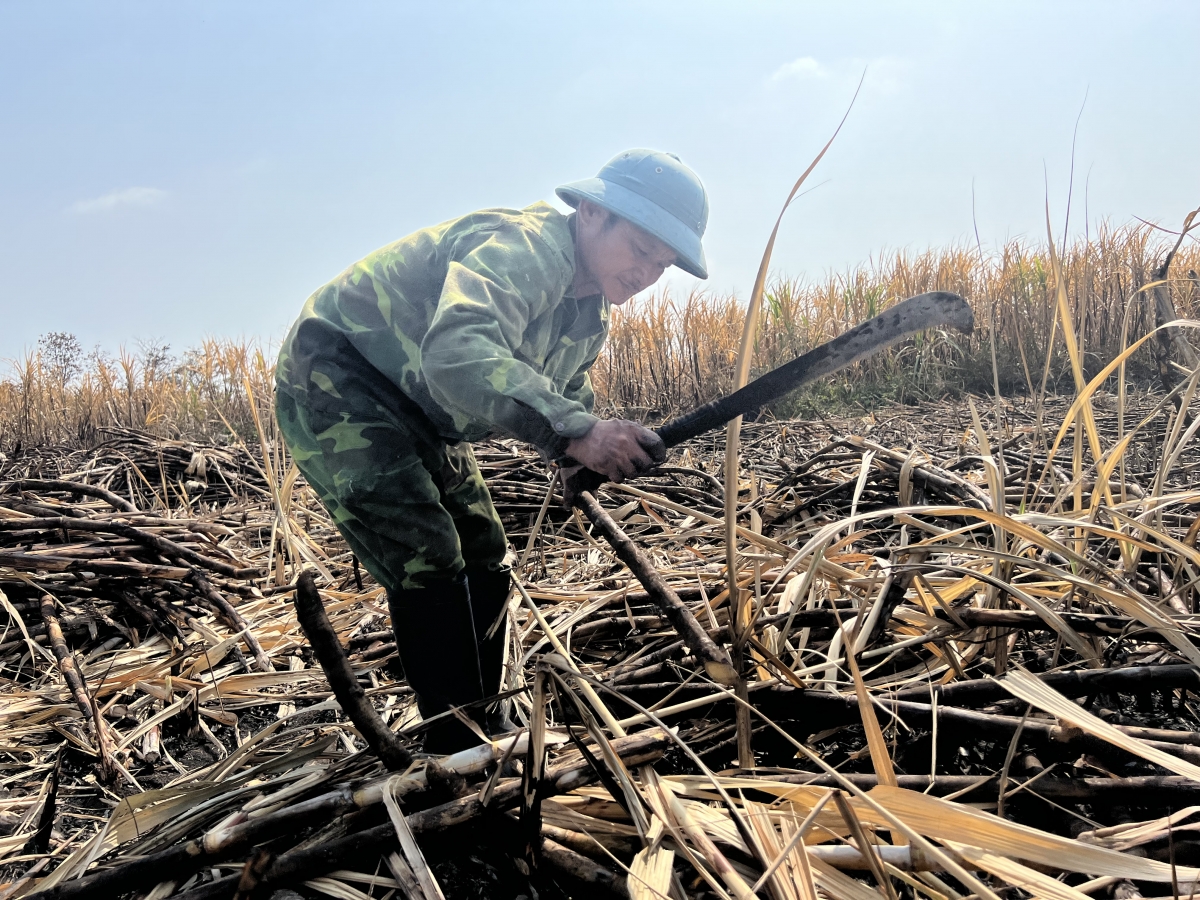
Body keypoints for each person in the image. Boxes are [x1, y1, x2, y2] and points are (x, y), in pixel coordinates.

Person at [275, 149, 710, 753]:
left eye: (662, 264)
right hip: (339, 375)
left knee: (483, 547)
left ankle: (482, 721)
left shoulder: (588, 316)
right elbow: (457, 354)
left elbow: (566, 392)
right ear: (590, 212)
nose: (646, 274)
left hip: (422, 408)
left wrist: (580, 451)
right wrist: (574, 431)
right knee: (425, 550)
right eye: (641, 249)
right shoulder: (524, 248)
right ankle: (454, 743)